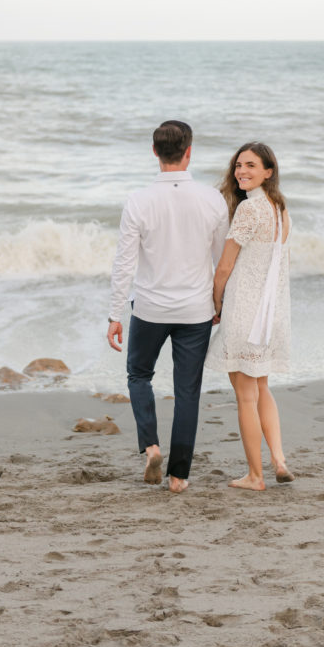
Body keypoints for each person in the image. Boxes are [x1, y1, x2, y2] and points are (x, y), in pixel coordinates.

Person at [107, 120, 229, 493]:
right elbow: (223, 259)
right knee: (188, 390)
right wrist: (220, 304)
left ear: (155, 152)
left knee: (139, 375)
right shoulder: (212, 199)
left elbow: (124, 263)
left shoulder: (139, 200)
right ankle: (179, 477)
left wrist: (115, 314)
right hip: (196, 311)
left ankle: (151, 445)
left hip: (150, 308)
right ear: (189, 152)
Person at [206, 141, 294, 490]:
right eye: (239, 165)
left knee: (245, 395)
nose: (242, 171)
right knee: (261, 387)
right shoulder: (281, 210)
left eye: (251, 166)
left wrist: (216, 304)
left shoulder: (248, 210)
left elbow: (225, 267)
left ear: (268, 172)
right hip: (272, 314)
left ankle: (256, 476)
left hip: (244, 312)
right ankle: (279, 459)